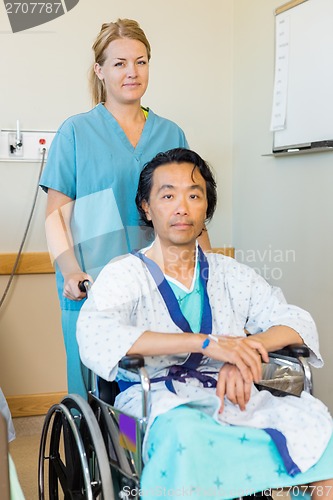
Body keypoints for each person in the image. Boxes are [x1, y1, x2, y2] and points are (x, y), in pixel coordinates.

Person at [77, 147, 333, 499]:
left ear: (206, 208)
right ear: (146, 207)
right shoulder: (124, 275)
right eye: (168, 195)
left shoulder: (231, 274)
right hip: (141, 407)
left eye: (194, 195)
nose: (182, 207)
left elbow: (295, 321)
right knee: (184, 433)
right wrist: (207, 343)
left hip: (231, 391)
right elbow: (97, 333)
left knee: (315, 419)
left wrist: (245, 353)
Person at [40, 19, 210, 398]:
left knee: (152, 389)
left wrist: (210, 273)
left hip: (160, 285)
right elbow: (56, 216)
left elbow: (191, 210)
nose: (132, 72)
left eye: (141, 61)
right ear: (100, 70)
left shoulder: (171, 133)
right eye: (119, 63)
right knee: (97, 395)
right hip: (93, 284)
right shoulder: (76, 132)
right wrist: (70, 272)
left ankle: (141, 454)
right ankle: (95, 455)